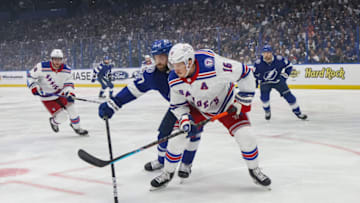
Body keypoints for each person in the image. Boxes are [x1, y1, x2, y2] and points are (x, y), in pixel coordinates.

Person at [150, 43, 271, 189]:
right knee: (177, 138)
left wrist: (242, 99)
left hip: (227, 104)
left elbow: (245, 73)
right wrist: (184, 119)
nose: (175, 69)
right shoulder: (174, 78)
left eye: (179, 64)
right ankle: (167, 173)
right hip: (197, 108)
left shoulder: (213, 64)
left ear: (189, 61)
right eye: (173, 65)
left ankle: (254, 170)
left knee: (247, 136)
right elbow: (177, 105)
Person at [98, 40, 201, 178]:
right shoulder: (152, 74)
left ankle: (186, 164)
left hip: (197, 106)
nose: (159, 60)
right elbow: (134, 89)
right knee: (163, 133)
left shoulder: (183, 68)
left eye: (162, 56)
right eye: (156, 57)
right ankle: (161, 160)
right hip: (177, 107)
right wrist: (114, 104)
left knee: (193, 133)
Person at [26, 49, 88, 136]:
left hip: (61, 94)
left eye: (59, 59)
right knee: (62, 117)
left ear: (62, 60)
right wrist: (34, 86)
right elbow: (30, 76)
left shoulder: (67, 70)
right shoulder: (41, 67)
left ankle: (77, 127)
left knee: (73, 110)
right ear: (51, 59)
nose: (57, 62)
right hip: (47, 97)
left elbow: (69, 84)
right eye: (55, 59)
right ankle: (53, 122)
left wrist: (70, 93)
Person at [253, 45, 307, 120]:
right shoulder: (258, 63)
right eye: (265, 53)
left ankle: (298, 113)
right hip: (265, 82)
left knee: (290, 97)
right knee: (264, 99)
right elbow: (254, 75)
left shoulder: (279, 59)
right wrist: (255, 83)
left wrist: (284, 76)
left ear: (271, 53)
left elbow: (289, 66)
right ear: (262, 54)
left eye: (268, 52)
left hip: (278, 81)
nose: (266, 54)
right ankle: (267, 111)